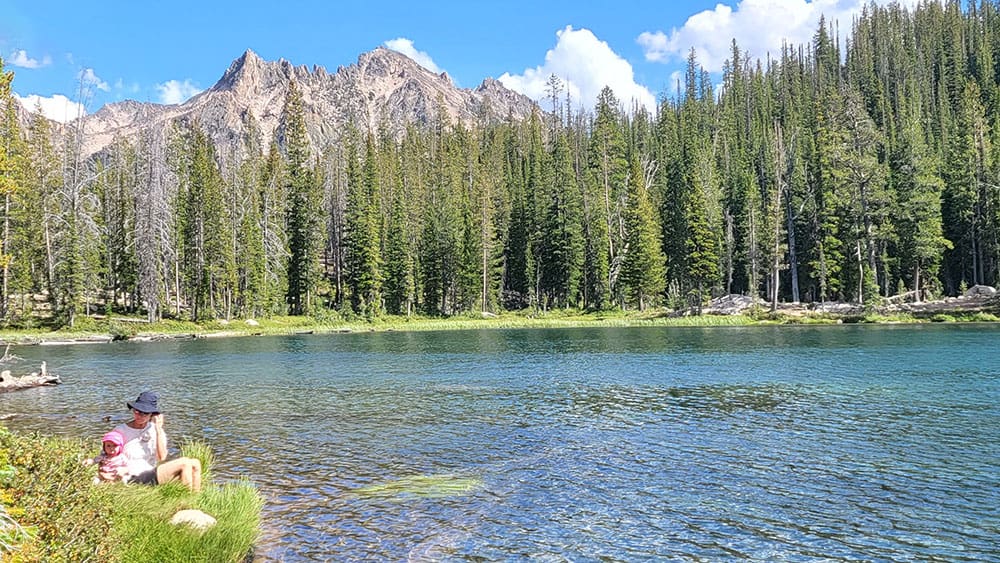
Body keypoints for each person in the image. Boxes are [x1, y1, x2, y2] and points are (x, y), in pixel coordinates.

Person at [114, 391, 202, 493]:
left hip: (151, 473)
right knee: (184, 463)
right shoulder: (120, 431)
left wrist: (158, 429)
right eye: (137, 411)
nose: (139, 416)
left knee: (195, 463)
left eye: (145, 413)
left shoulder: (154, 429)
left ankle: (196, 498)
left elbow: (162, 457)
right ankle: (187, 500)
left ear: (151, 414)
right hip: (132, 476)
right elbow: (108, 453)